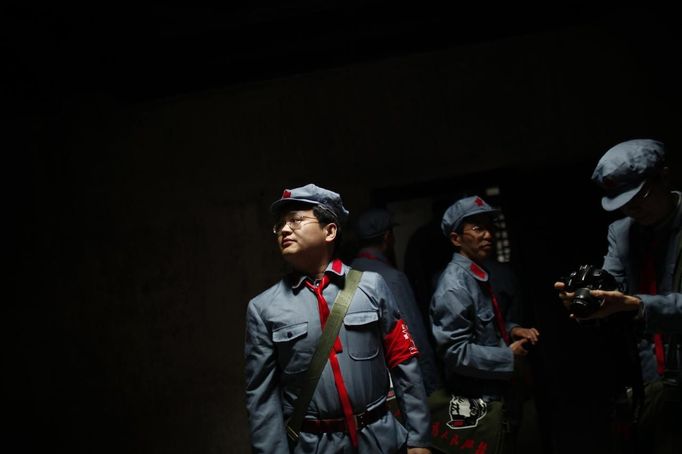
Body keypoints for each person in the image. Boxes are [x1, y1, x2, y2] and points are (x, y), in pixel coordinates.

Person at [244, 183, 431, 454]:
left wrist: (419, 438)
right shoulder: (264, 308)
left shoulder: (372, 287)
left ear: (330, 230)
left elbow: (404, 361)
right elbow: (262, 398)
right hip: (314, 446)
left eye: (295, 220)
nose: (284, 230)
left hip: (381, 441)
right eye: (280, 225)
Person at [555, 139, 682, 454]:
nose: (633, 210)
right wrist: (591, 302)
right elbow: (613, 289)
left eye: (639, 197)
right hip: (651, 383)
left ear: (664, 176)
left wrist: (637, 306)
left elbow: (632, 304)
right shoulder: (622, 231)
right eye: (623, 204)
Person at [430, 195, 540, 452]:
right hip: (481, 402)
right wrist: (507, 357)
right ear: (456, 239)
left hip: (500, 395)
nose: (488, 235)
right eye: (478, 228)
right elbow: (454, 352)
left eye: (489, 227)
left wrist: (513, 328)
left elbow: (484, 325)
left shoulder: (476, 273)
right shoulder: (454, 285)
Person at [351, 207, 440, 395]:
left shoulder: (347, 273)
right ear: (387, 237)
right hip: (403, 382)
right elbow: (415, 336)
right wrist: (432, 386)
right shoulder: (392, 277)